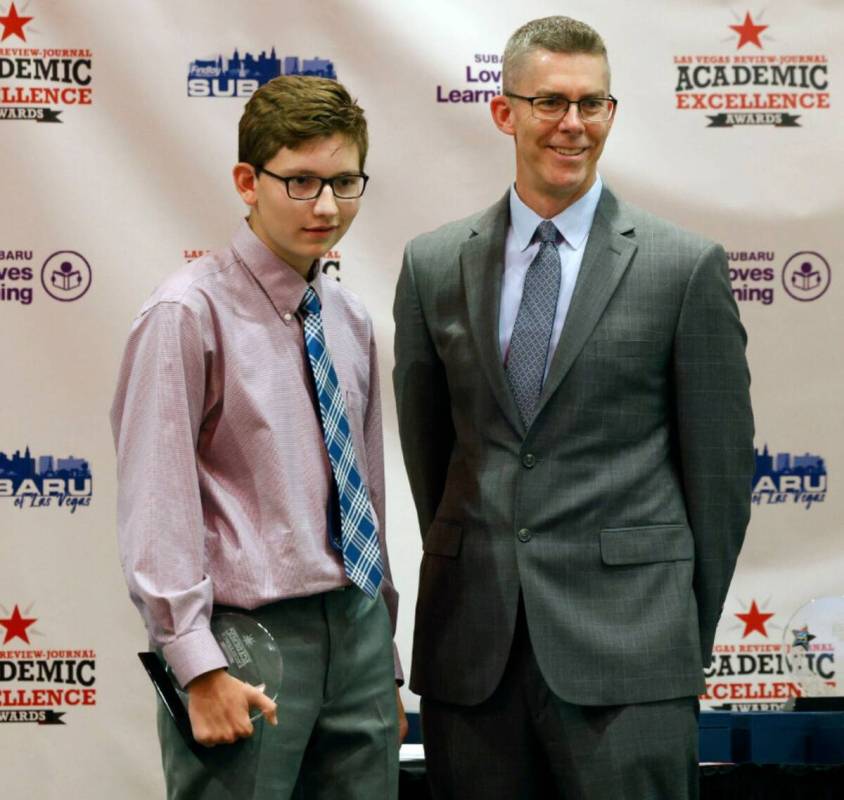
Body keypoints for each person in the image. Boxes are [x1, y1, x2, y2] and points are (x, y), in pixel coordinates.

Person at [393, 15, 753, 800]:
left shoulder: (683, 268)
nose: (574, 124)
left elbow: (722, 478)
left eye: (593, 104)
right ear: (505, 111)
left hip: (633, 657)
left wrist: (674, 637)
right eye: (551, 102)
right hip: (473, 655)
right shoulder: (431, 265)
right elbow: (432, 457)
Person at [112, 75, 405, 800]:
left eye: (344, 181)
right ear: (248, 180)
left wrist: (383, 657)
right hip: (246, 639)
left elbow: (364, 488)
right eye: (300, 181)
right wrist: (197, 663)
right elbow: (158, 504)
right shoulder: (187, 313)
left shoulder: (349, 317)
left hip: (360, 636)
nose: (328, 206)